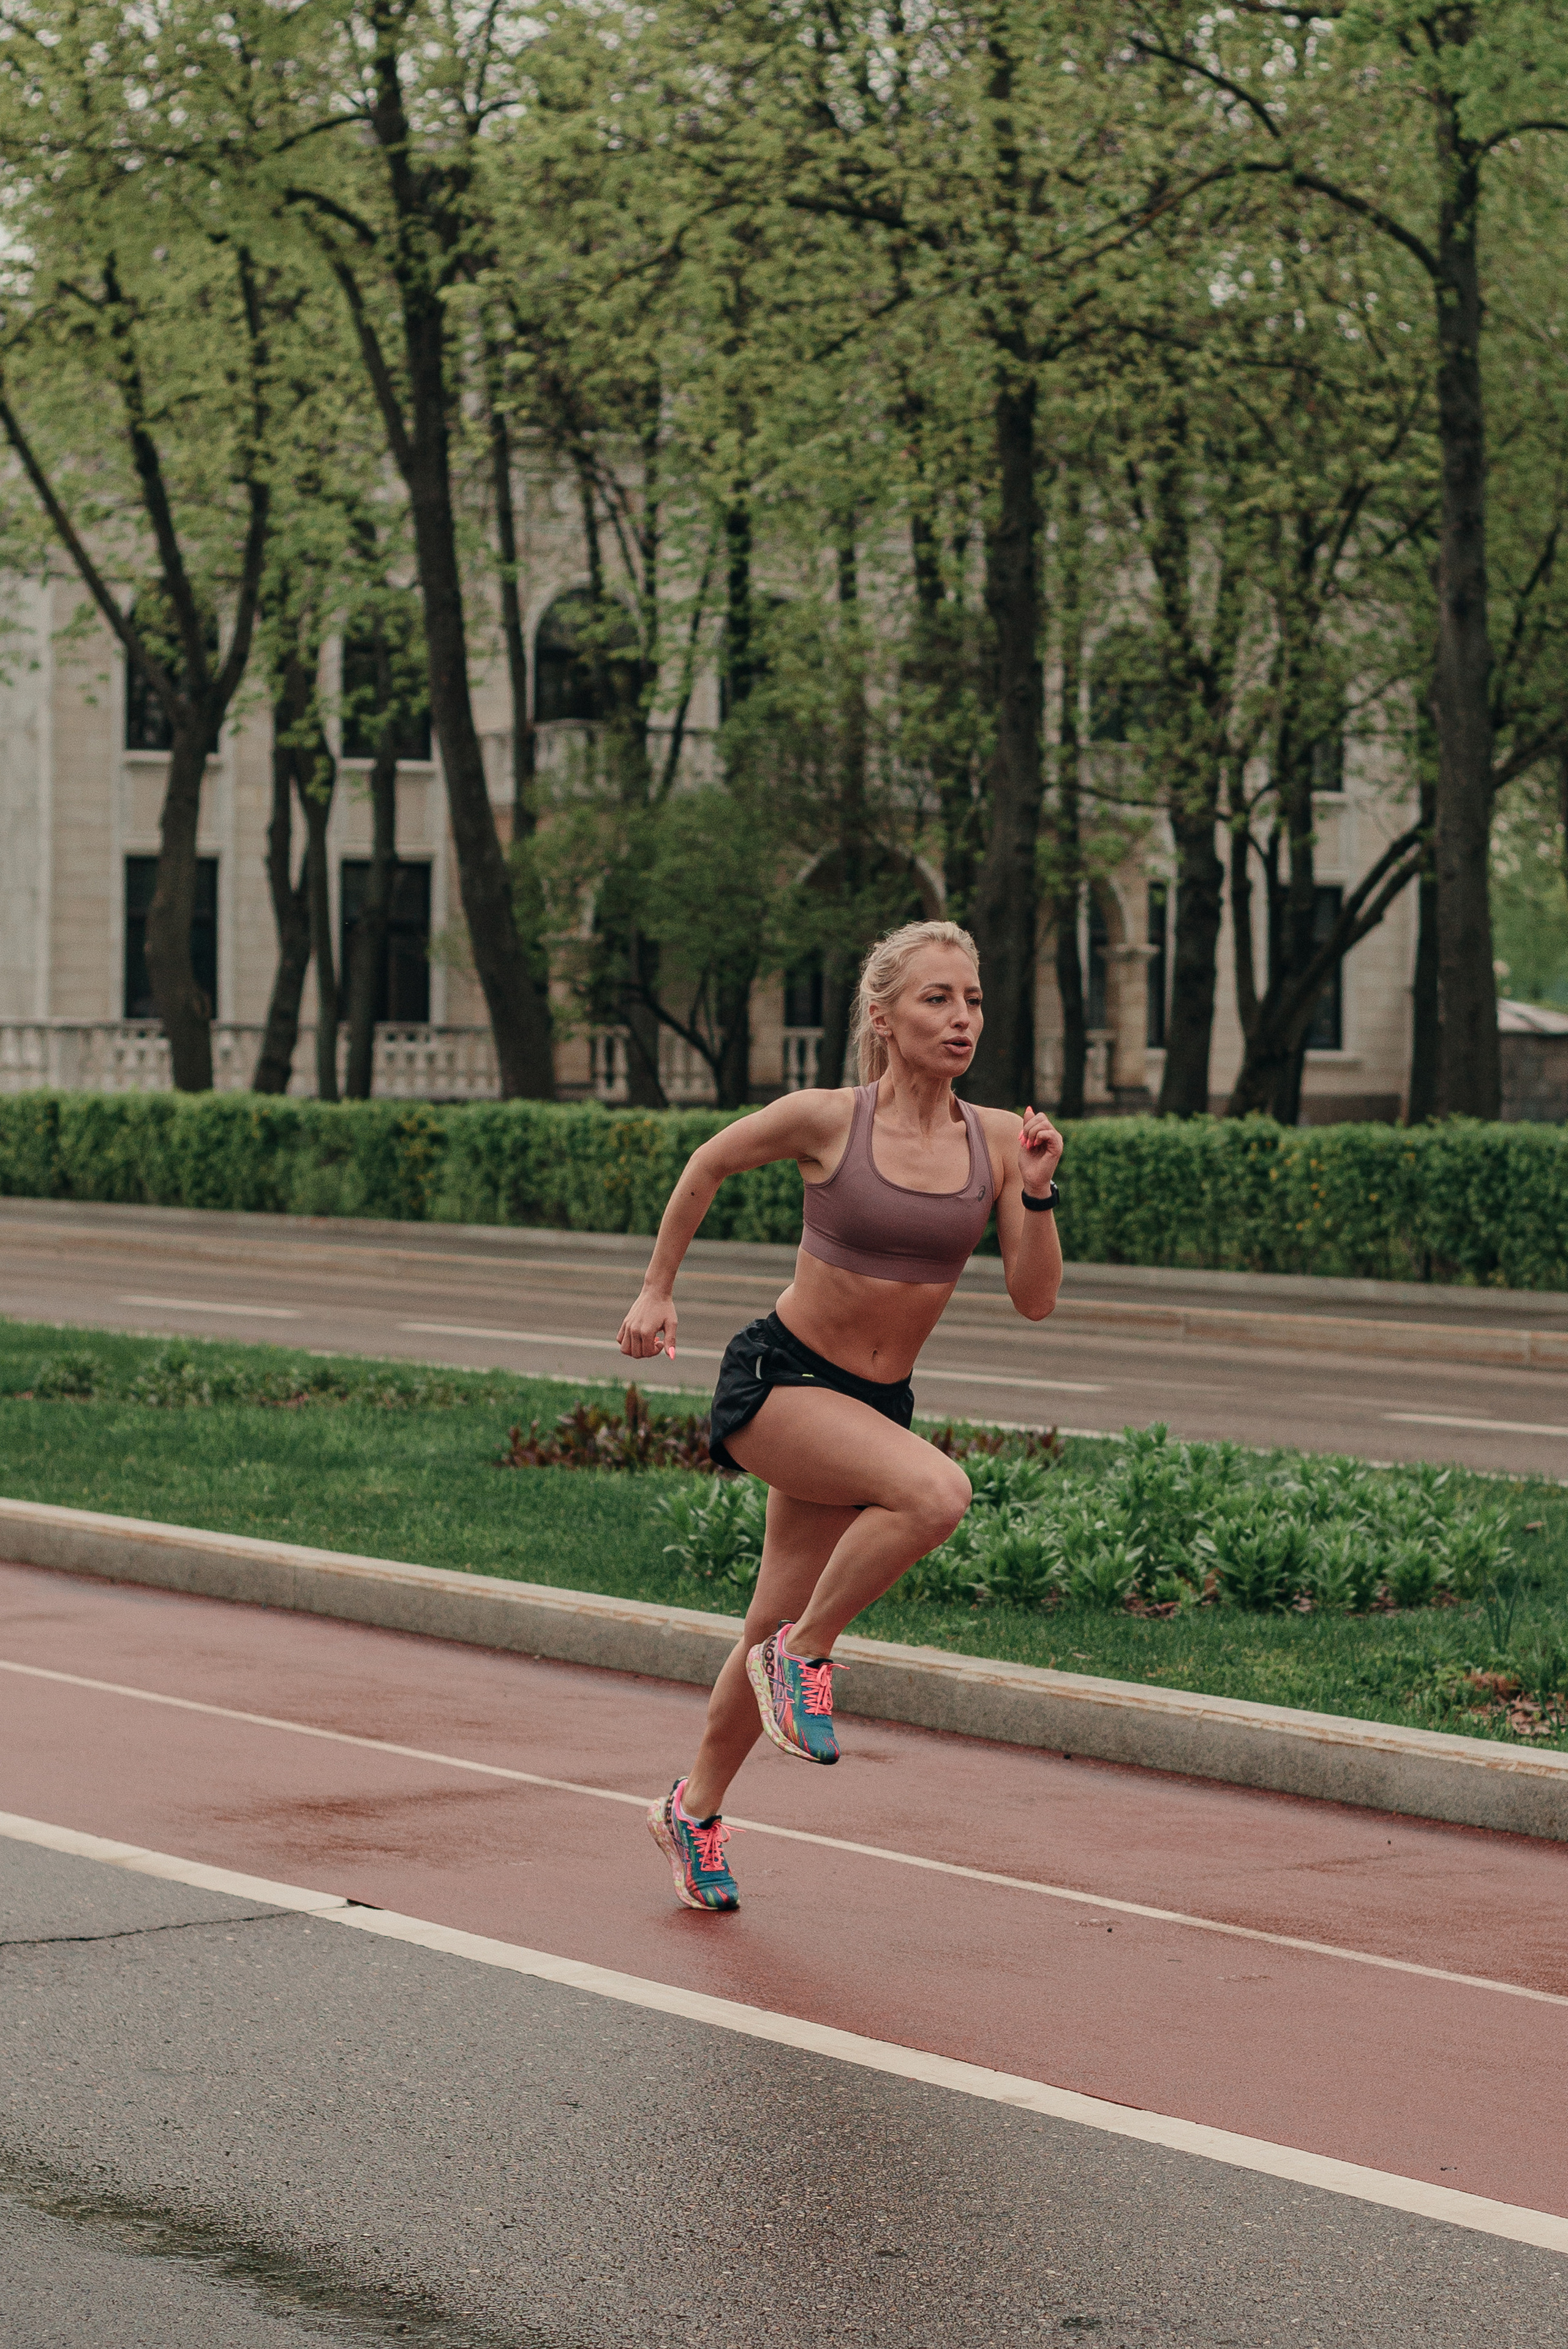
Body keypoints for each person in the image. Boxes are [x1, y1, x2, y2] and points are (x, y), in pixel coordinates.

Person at [617, 920, 1064, 1912]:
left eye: (973, 999)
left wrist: (1037, 1192)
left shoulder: (998, 1139)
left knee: (764, 1617)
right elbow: (706, 1162)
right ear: (884, 1016)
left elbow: (1035, 1298)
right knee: (936, 1492)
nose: (961, 1017)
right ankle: (805, 1654)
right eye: (937, 998)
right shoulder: (829, 1119)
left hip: (871, 1402)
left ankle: (693, 1811)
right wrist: (657, 1290)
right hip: (780, 1380)